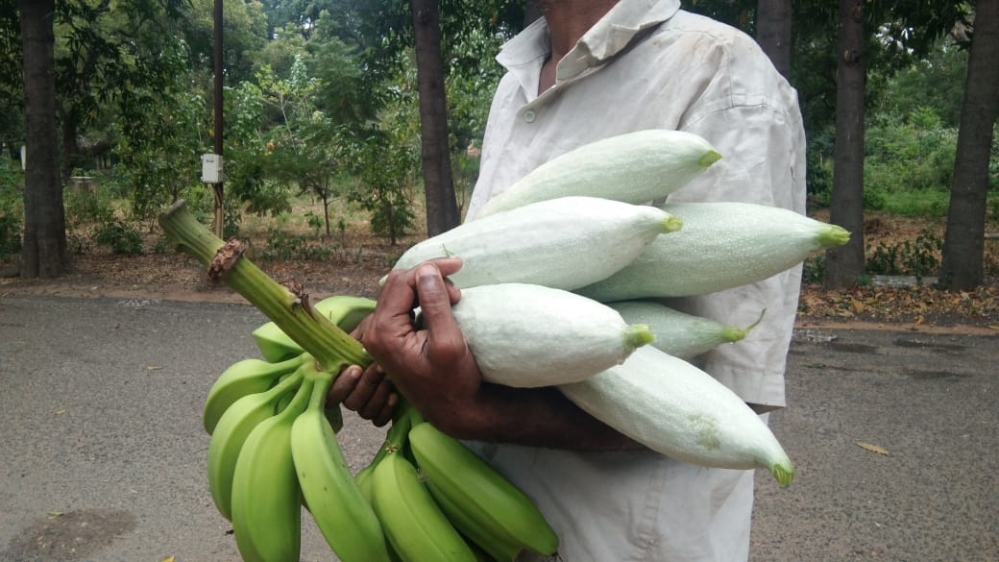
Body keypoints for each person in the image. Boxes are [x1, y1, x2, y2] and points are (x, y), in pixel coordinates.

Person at [329, 0, 806, 559]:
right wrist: (412, 367)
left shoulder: (718, 69)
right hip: (485, 515)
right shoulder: (516, 83)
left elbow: (728, 395)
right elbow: (496, 292)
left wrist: (471, 415)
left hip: (620, 540)